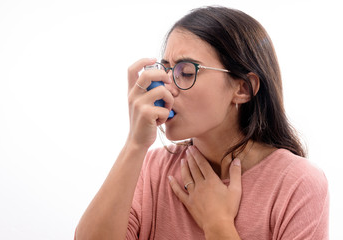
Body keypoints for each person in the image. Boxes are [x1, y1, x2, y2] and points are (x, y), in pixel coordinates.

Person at [75, 6, 329, 240]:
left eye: (186, 72)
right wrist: (135, 143)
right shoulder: (152, 169)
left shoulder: (298, 184)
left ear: (243, 88)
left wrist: (217, 225)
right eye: (166, 70)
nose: (167, 89)